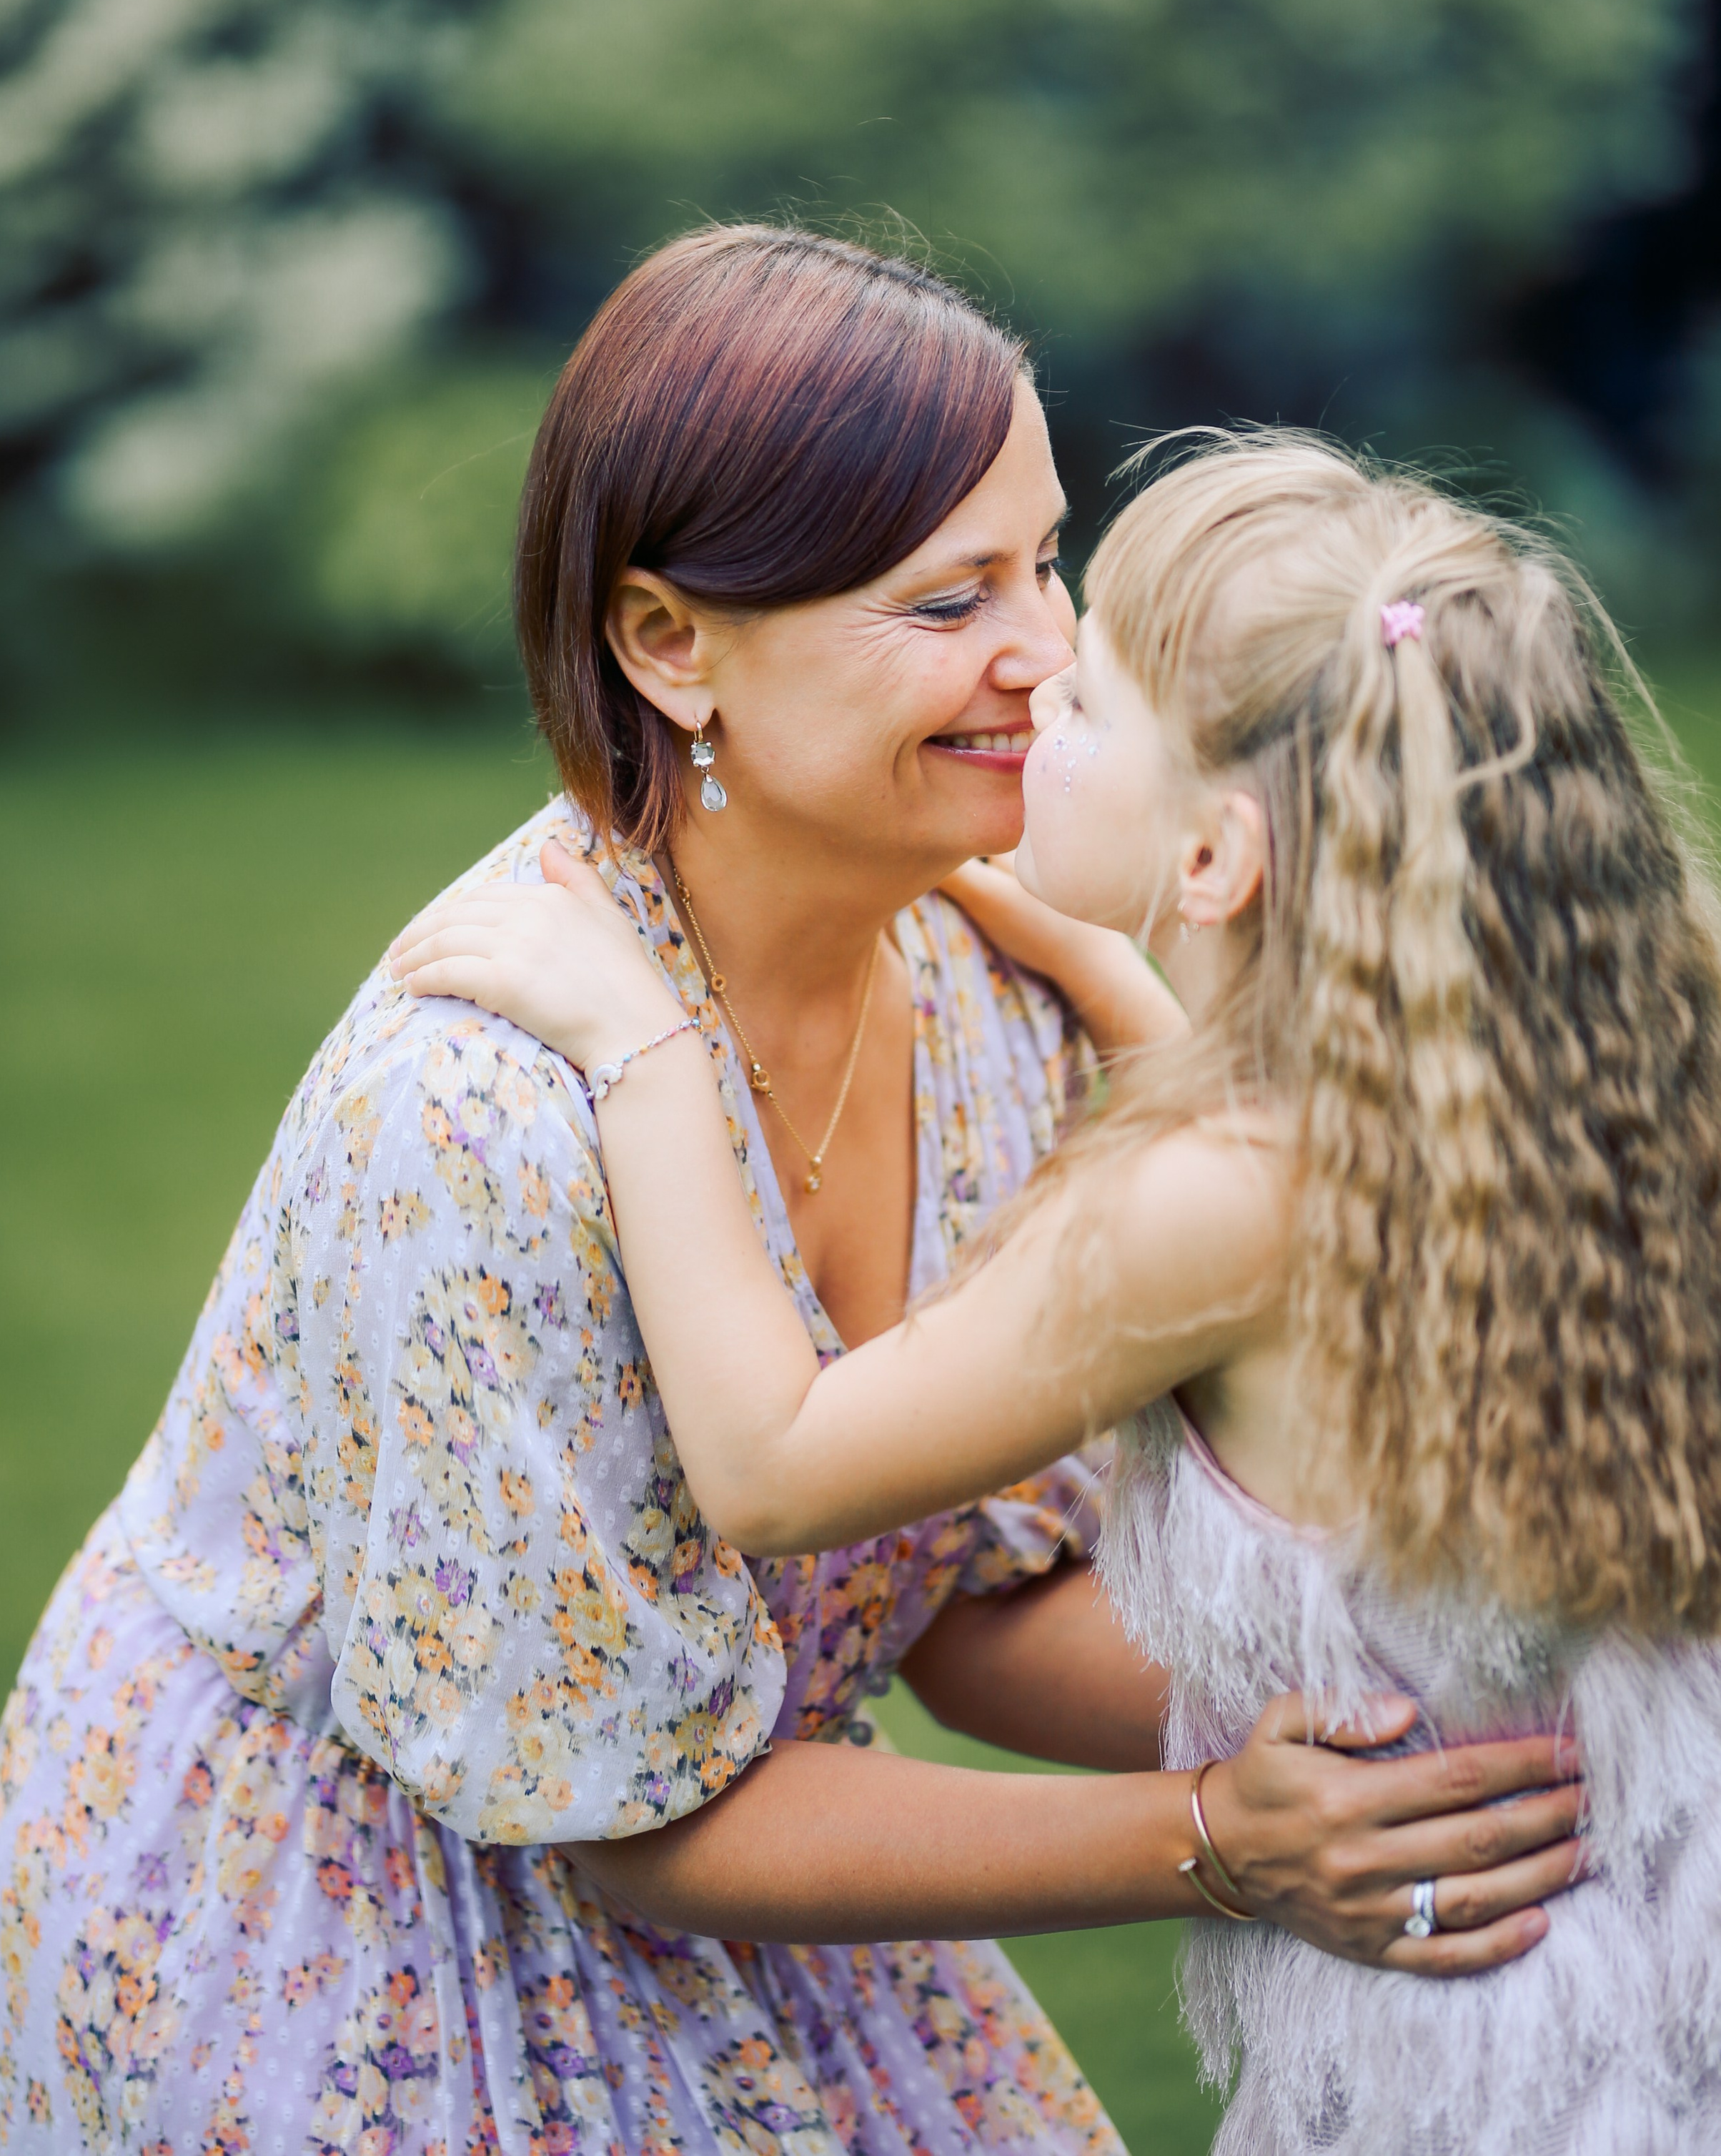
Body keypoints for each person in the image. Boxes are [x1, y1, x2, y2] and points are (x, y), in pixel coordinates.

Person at [0, 241, 1582, 2156]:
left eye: (1044, 563)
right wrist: (1219, 1837)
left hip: (760, 1819)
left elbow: (961, 1586)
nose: (1049, 651)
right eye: (946, 597)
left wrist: (1399, 1726)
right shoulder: (481, 1114)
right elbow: (623, 1817)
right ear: (669, 643)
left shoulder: (995, 973)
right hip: (363, 1918)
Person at [395, 421, 1721, 2152]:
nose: (1029, 697)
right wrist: (1117, 956)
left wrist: (643, 1048)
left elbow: (777, 1467)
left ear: (1213, 863)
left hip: (1492, 2050)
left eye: (1086, 704)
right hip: (1636, 1936)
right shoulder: (1550, 1085)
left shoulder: (1210, 1202)